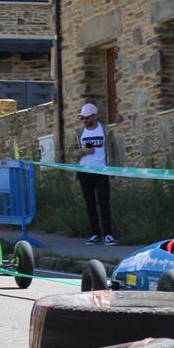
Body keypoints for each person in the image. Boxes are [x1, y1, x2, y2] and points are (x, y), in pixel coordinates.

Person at [75, 102, 115, 245]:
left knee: (104, 203)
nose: (84, 120)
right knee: (90, 203)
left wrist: (114, 169)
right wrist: (82, 151)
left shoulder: (105, 130)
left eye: (87, 118)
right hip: (84, 172)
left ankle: (108, 234)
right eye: (82, 118)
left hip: (102, 171)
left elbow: (114, 150)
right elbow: (71, 151)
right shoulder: (79, 133)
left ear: (94, 116)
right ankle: (95, 234)